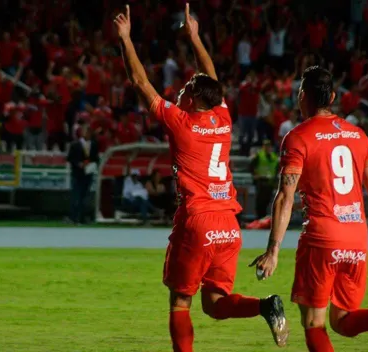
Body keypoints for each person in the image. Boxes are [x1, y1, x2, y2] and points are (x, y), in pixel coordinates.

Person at [113, 4, 289, 352]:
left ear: (192, 98)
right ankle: (265, 305)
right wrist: (194, 36)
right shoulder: (222, 118)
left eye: (185, 88)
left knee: (181, 303)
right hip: (228, 224)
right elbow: (211, 77)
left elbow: (139, 81)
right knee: (214, 304)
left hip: (198, 220)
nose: (179, 90)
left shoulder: (182, 123)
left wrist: (125, 39)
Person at [250, 66, 368, 352]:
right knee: (342, 321)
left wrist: (273, 251)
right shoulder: (358, 136)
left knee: (313, 325)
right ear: (332, 96)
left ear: (301, 96)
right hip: (356, 238)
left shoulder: (297, 137)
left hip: (322, 238)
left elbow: (285, 196)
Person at [66, 125, 99, 224]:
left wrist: (91, 164)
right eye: (85, 132)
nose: (87, 134)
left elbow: (96, 159)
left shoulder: (93, 144)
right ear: (82, 133)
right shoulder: (75, 144)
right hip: (77, 174)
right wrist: (78, 163)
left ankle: (82, 218)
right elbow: (70, 158)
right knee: (76, 196)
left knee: (85, 197)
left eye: (89, 132)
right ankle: (73, 217)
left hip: (88, 174)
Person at [250, 140, 279, 220]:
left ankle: (264, 217)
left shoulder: (274, 156)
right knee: (260, 200)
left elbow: (276, 169)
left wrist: (276, 180)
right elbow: (251, 166)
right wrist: (255, 175)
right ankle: (259, 217)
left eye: (269, 146)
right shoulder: (259, 155)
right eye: (266, 146)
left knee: (268, 200)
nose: (267, 148)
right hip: (261, 180)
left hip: (270, 181)